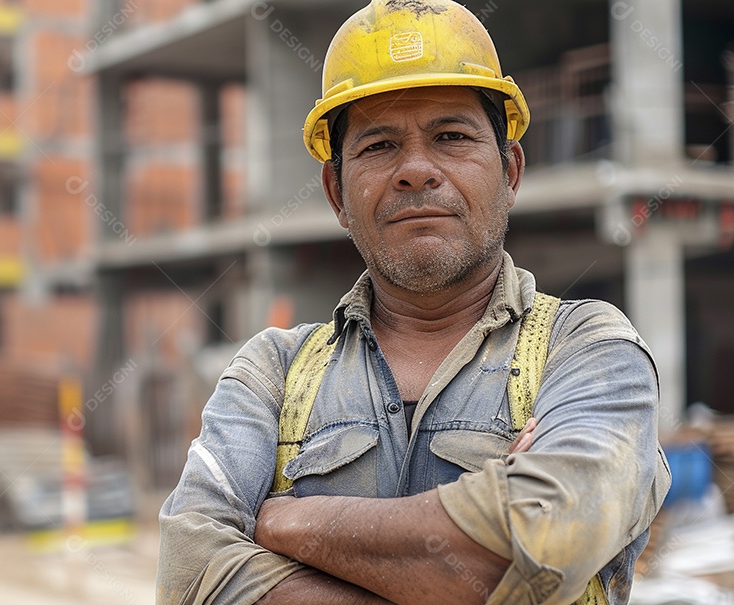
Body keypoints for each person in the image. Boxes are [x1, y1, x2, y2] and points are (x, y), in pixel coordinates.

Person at [156, 0, 670, 603]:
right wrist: (470, 537)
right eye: (379, 146)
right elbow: (189, 574)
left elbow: (543, 542)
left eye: (451, 137)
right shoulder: (271, 373)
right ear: (335, 191)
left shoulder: (589, 350)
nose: (417, 170)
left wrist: (282, 522)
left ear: (509, 171)